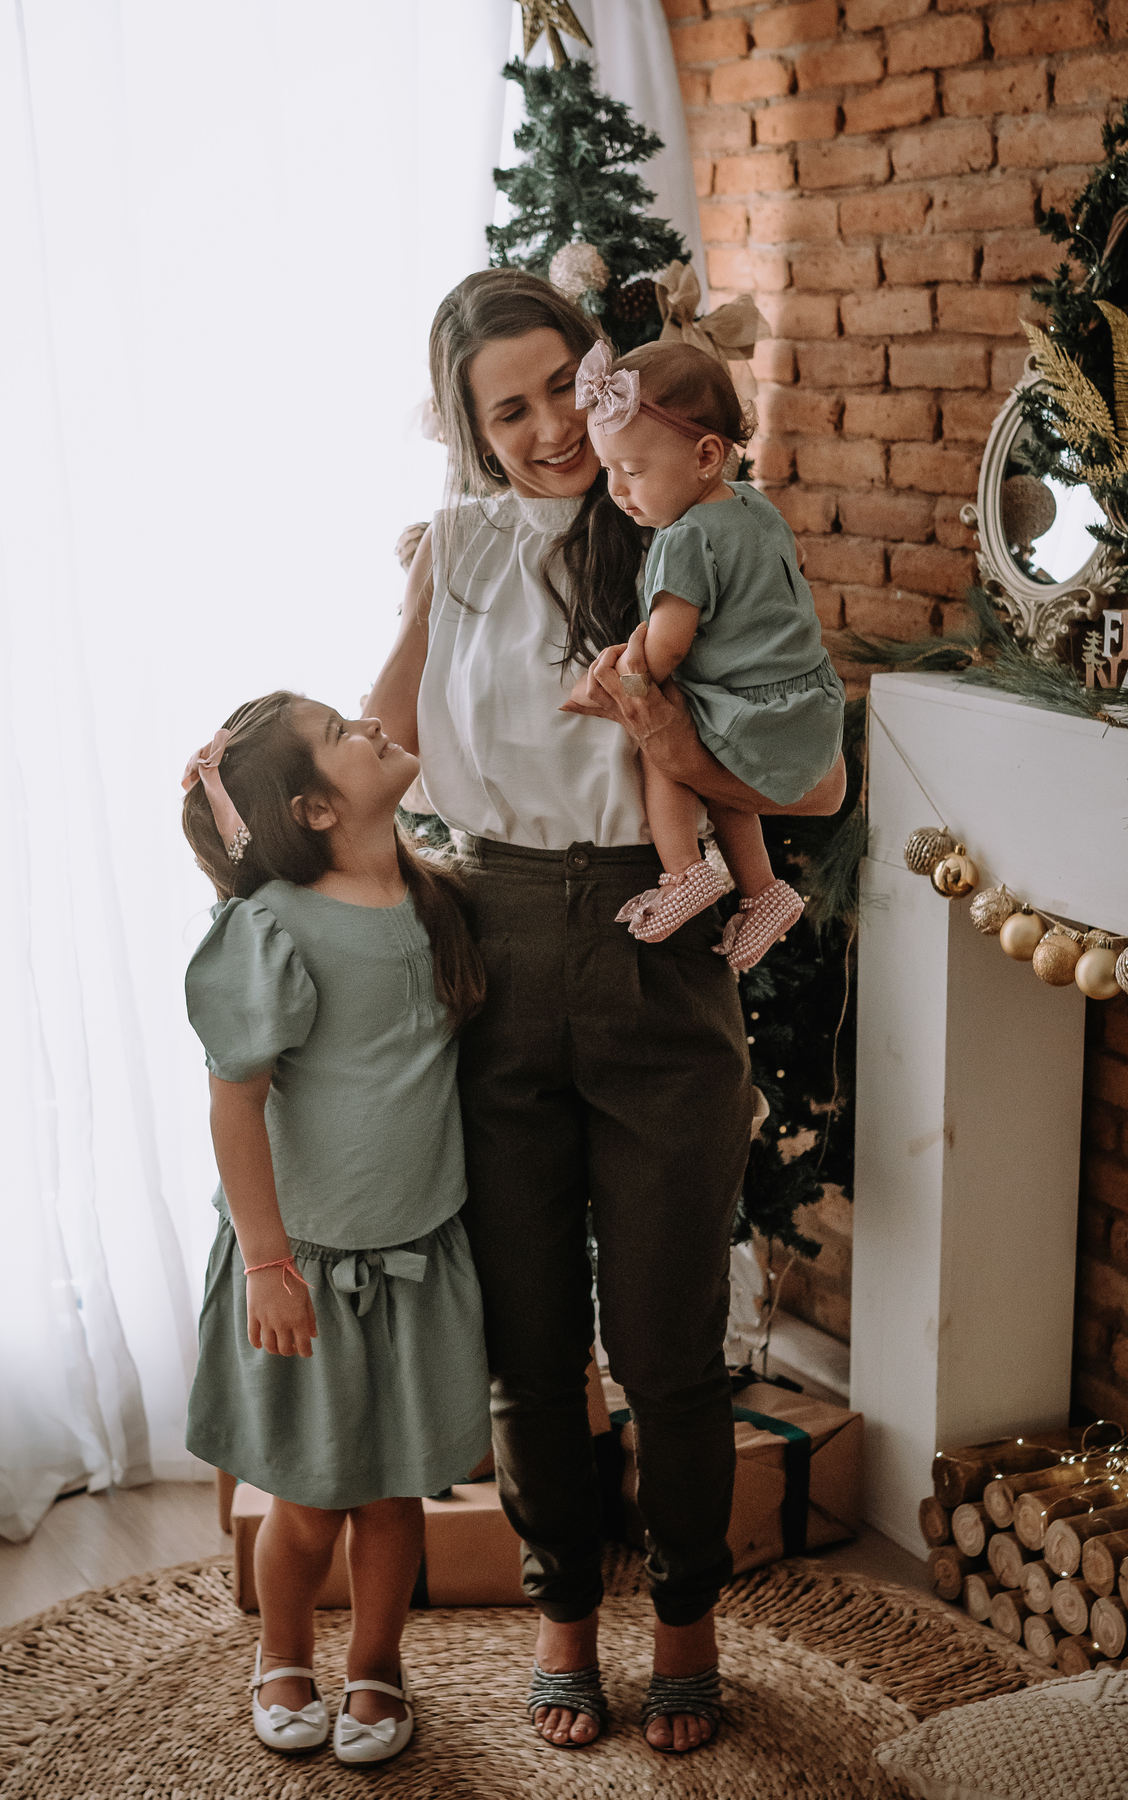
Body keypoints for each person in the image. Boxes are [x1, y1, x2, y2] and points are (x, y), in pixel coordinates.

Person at [366, 269, 846, 1757]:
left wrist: (659, 730)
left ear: (607, 375)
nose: (547, 431)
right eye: (504, 410)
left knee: (667, 1341)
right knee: (530, 1344)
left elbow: (817, 776)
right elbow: (381, 743)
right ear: (470, 430)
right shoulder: (457, 547)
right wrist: (251, 791)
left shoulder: (687, 526)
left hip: (659, 944)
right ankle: (564, 1618)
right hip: (492, 954)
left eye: (559, 388)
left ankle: (687, 1623)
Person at [181, 690, 489, 1767]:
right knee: (309, 1502)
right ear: (314, 808)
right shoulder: (274, 928)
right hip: (305, 1267)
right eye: (339, 733)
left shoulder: (435, 896)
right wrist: (267, 1262)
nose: (368, 725)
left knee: (395, 1495)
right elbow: (236, 1103)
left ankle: (377, 1664)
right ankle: (283, 1657)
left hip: (416, 1259)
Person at [569, 340, 844, 971]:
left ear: (705, 456)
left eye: (632, 471)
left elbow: (667, 645)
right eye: (608, 470)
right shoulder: (754, 504)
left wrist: (621, 685)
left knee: (667, 749)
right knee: (725, 774)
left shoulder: (684, 537)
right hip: (808, 698)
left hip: (750, 710)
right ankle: (764, 892)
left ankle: (685, 873)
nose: (616, 490)